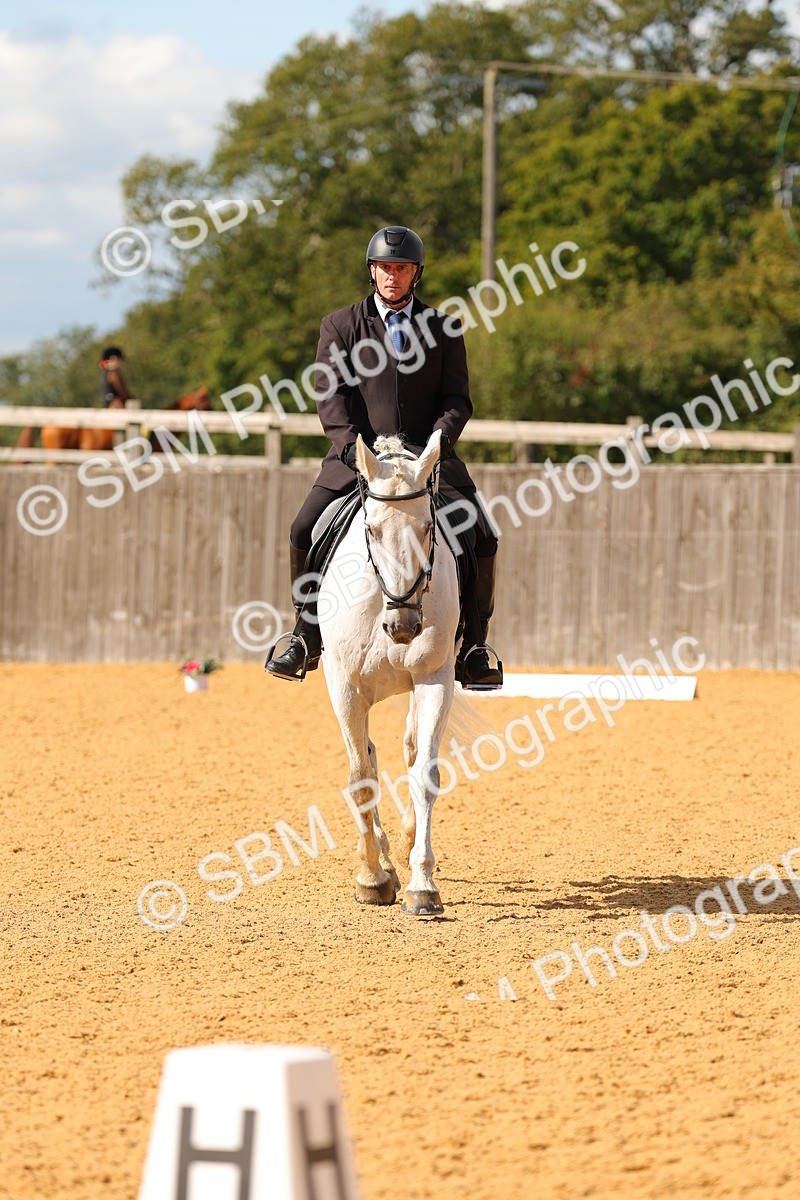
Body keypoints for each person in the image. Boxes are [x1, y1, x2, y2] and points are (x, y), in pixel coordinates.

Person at [266, 225, 502, 688]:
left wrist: (438, 443)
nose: (392, 276)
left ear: (416, 274)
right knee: (301, 530)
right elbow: (329, 395)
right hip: (358, 456)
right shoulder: (340, 325)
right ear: (371, 272)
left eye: (402, 268)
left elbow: (457, 399)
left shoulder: (443, 328)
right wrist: (354, 450)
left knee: (483, 536)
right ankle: (305, 634)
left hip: (426, 458)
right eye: (385, 268)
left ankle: (474, 646)